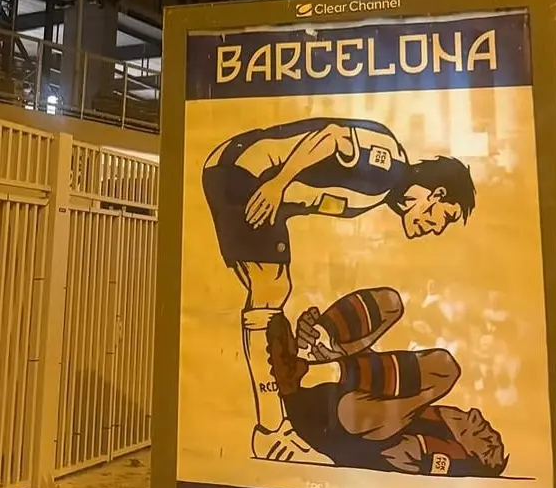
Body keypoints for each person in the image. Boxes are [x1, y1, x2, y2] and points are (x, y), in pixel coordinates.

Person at [201, 118, 475, 463]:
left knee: (271, 293)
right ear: (435, 195)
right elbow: (331, 137)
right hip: (246, 175)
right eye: (443, 217)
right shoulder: (388, 165)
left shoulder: (379, 192)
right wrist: (277, 184)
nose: (435, 229)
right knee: (269, 290)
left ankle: (295, 385)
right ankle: (271, 433)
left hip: (241, 176)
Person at [269, 285, 508, 477]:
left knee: (444, 371)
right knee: (389, 303)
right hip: (327, 400)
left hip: (336, 423)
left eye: (486, 441)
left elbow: (399, 453)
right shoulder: (433, 413)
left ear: (473, 456)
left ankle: (309, 372)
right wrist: (339, 347)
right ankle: (315, 348)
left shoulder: (452, 453)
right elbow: (377, 377)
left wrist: (423, 444)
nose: (482, 422)